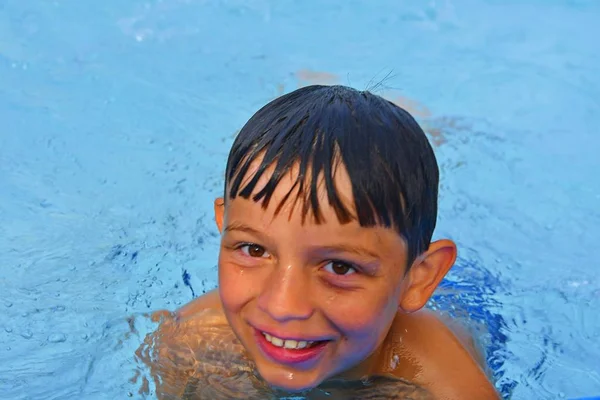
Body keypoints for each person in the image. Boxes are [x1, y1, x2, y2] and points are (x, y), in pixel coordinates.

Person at [135, 85, 500, 399]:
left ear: (419, 278)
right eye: (254, 249)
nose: (282, 306)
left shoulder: (442, 383)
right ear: (224, 224)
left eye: (340, 267)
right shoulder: (190, 342)